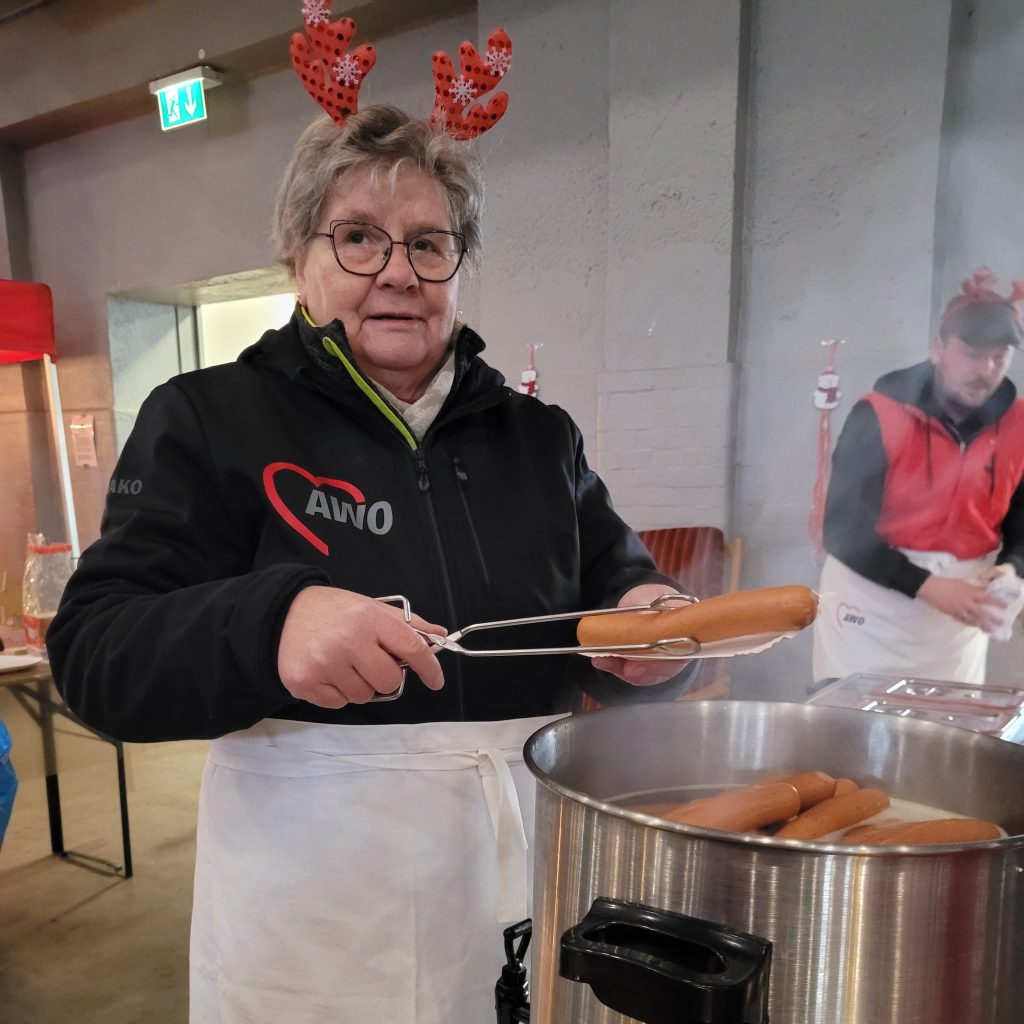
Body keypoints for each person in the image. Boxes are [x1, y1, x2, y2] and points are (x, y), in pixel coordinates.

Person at [46, 102, 696, 1024]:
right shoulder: (207, 419)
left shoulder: (539, 439)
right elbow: (95, 654)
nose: (398, 272)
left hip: (529, 868)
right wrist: (269, 625)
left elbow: (618, 592)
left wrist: (653, 632)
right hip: (316, 915)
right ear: (298, 261)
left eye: (429, 245)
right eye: (358, 238)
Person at [812, 269, 1024, 684]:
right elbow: (842, 529)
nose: (985, 368)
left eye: (999, 356)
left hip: (957, 620)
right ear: (937, 348)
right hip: (868, 611)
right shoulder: (878, 414)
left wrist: (1012, 569)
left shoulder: (1020, 426)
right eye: (971, 352)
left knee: (950, 721)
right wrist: (929, 586)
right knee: (853, 720)